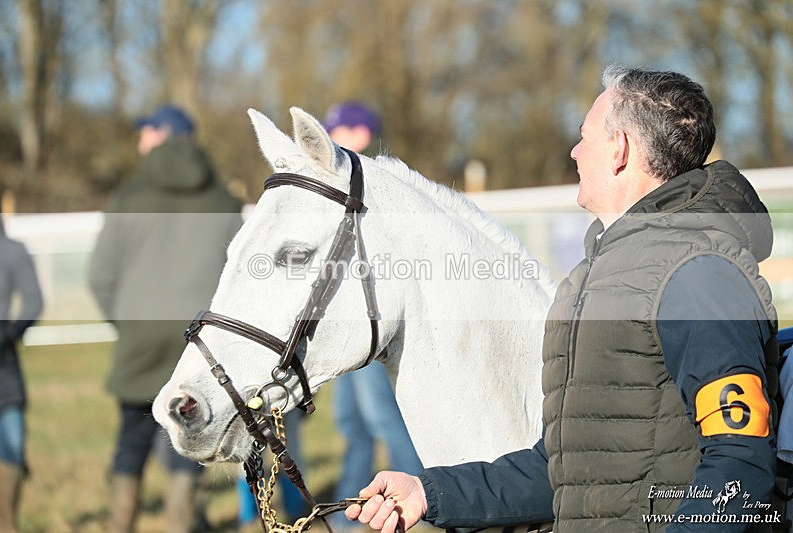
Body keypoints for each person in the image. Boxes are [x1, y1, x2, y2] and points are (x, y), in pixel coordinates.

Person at [345, 66, 779, 532]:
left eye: (584, 136)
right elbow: (565, 470)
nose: (574, 151)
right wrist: (429, 493)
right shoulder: (592, 278)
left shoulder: (700, 274)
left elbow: (739, 465)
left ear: (620, 149)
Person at [89, 104, 244, 533]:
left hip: (140, 339)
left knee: (131, 441)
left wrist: (130, 324)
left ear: (164, 135)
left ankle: (119, 525)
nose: (139, 142)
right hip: (197, 344)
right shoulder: (224, 200)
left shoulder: (127, 197)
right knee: (190, 438)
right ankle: (181, 523)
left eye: (145, 132)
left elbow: (100, 277)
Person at [323, 102, 423, 529]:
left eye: (340, 129)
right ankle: (353, 506)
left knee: (382, 415)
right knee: (351, 421)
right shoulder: (342, 186)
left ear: (362, 132)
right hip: (347, 326)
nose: (332, 138)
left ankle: (421, 491)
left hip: (374, 327)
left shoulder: (382, 185)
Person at [0, 189, 43, 533]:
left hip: (2, 364)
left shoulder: (11, 251)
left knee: (12, 446)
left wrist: (9, 335)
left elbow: (33, 301)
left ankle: (5, 524)